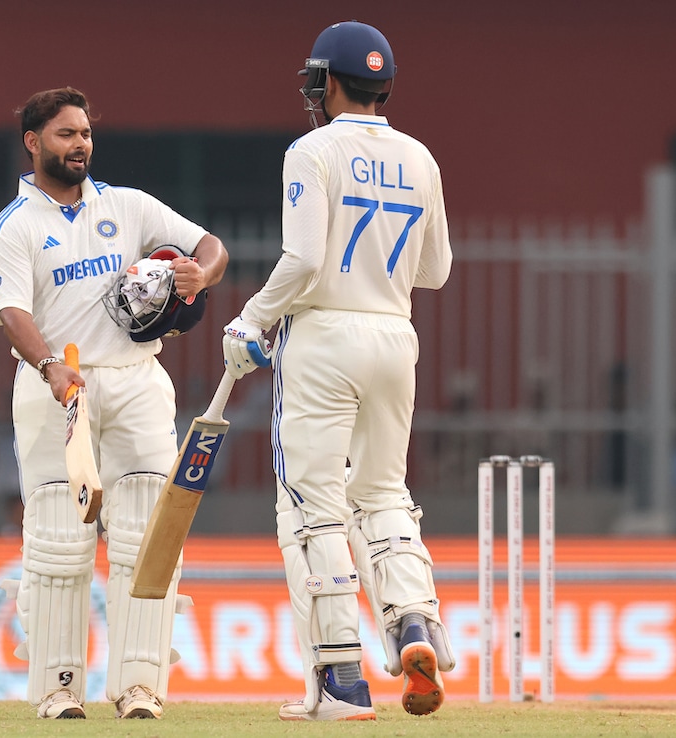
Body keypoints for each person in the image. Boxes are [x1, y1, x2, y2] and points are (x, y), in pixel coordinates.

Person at [221, 21, 455, 721]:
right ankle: (412, 622)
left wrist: (252, 319)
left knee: (310, 507)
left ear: (326, 82)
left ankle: (340, 683)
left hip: (324, 336)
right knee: (383, 493)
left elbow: (303, 260)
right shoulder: (420, 156)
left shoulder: (312, 151)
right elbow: (436, 270)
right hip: (395, 335)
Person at [0, 87, 228, 720]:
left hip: (136, 378)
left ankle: (140, 686)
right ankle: (58, 688)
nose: (80, 144)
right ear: (34, 142)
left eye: (86, 133)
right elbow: (11, 312)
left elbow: (211, 245)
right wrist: (50, 367)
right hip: (56, 388)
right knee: (60, 541)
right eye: (66, 134)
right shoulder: (15, 226)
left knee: (148, 534)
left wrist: (201, 273)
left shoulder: (128, 205)